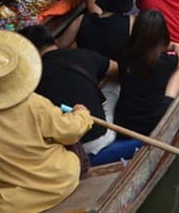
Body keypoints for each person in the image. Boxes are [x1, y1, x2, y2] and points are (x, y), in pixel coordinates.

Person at [0, 30, 94, 213]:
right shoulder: (31, 102)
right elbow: (69, 132)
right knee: (72, 143)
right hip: (60, 182)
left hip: (14, 205)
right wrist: (82, 115)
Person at [20, 25, 117, 157]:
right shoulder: (83, 54)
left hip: (71, 146)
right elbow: (117, 70)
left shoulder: (30, 81)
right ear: (52, 40)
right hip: (101, 135)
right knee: (114, 85)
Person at [114, 10, 179, 136]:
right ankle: (172, 101)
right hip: (150, 123)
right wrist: (176, 45)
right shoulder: (166, 60)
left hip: (122, 121)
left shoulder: (124, 53)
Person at [55, 0, 135, 62]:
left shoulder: (82, 20)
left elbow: (60, 45)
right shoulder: (131, 22)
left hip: (85, 69)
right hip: (115, 73)